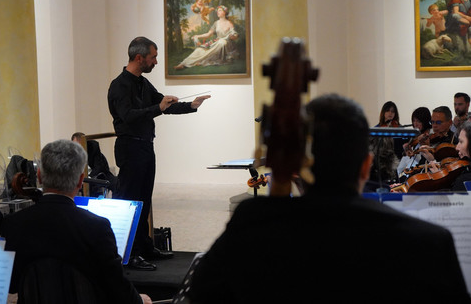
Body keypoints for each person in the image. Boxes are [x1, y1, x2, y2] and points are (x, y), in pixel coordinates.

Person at [185, 94, 470, 303]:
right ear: (364, 166)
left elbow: (202, 294)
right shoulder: (429, 243)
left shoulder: (251, 229)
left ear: (296, 167)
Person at [1, 140, 151, 304]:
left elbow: (13, 285)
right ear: (80, 181)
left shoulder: (12, 224)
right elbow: (116, 288)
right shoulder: (97, 228)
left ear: (39, 177)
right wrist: (139, 301)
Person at [107, 36, 210, 271]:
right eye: (153, 57)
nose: (155, 61)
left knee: (144, 200)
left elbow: (163, 104)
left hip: (144, 146)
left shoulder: (143, 83)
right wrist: (158, 108)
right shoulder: (119, 85)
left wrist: (191, 106)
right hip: (130, 147)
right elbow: (128, 116)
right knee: (131, 201)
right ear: (139, 57)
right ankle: (130, 254)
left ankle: (144, 247)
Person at [173, 5, 239, 70]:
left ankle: (200, 60)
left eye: (220, 10)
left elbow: (235, 35)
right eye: (217, 11)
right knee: (199, 50)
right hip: (216, 43)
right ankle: (182, 64)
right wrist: (197, 36)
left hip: (224, 45)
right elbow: (208, 34)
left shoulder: (229, 23)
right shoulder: (216, 23)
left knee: (222, 42)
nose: (217, 12)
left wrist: (233, 36)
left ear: (225, 12)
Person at [71, 132, 118, 197]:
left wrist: (89, 178)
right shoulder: (70, 155)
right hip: (78, 180)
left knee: (117, 184)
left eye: (80, 145)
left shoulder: (93, 149)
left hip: (97, 177)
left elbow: (99, 168)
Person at [396, 107, 432, 180]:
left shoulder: (430, 134)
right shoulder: (415, 135)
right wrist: (407, 150)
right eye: (414, 121)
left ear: (424, 121)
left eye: (418, 121)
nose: (415, 124)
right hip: (410, 167)